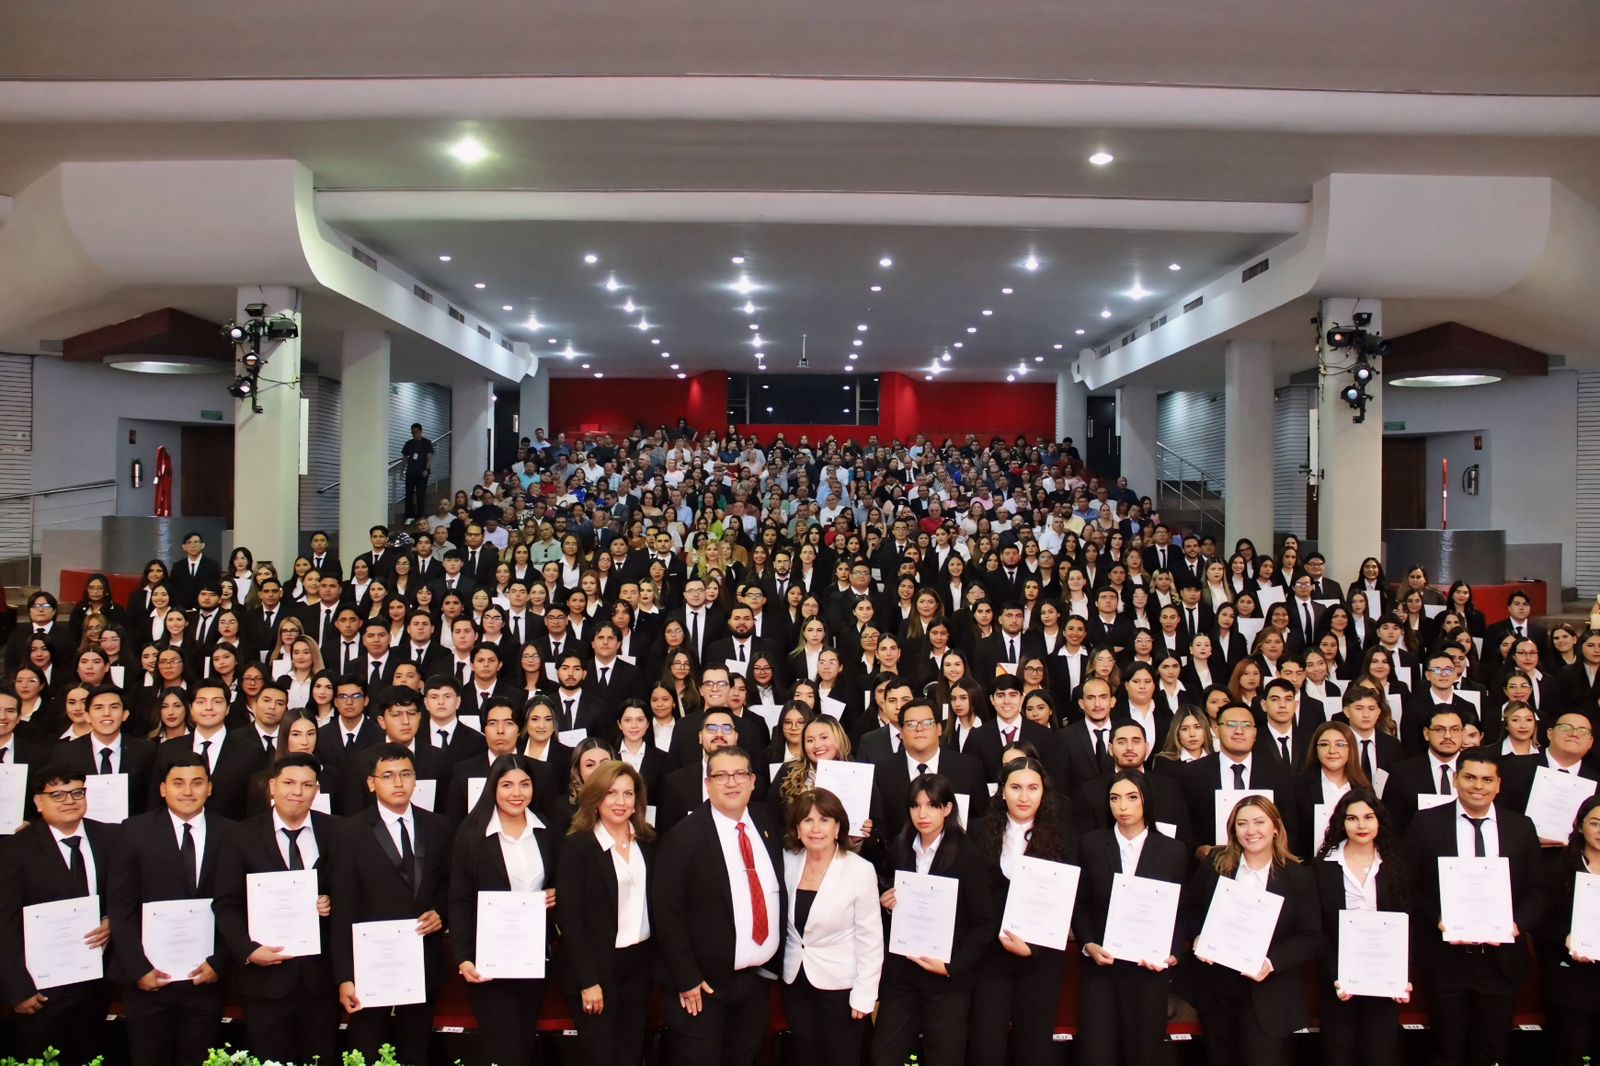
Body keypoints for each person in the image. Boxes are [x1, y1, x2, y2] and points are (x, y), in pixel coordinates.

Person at [1404, 748, 1548, 1066]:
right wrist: (1438, 918)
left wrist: (1515, 925)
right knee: (1446, 1050)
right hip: (1445, 960)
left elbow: (1538, 891)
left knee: (1492, 1051)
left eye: (1487, 779)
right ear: (1455, 780)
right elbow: (1406, 886)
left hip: (1501, 962)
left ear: (1499, 784)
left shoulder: (1521, 827)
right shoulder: (1426, 823)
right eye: (1469, 777)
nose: (1477, 786)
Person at [651, 745, 786, 1066]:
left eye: (740, 774)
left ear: (753, 781)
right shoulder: (683, 837)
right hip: (702, 988)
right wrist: (686, 977)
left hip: (755, 982)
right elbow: (666, 912)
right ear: (707, 783)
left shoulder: (766, 820)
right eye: (721, 775)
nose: (732, 782)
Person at [213, 752, 340, 1065]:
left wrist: (333, 902)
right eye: (288, 783)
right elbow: (226, 903)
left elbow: (352, 893)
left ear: (316, 790)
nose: (297, 791)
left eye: (306, 784)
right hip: (264, 979)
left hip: (321, 977)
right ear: (271, 786)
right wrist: (248, 950)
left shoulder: (339, 832)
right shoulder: (240, 836)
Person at [331, 743, 453, 1065]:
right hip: (370, 967)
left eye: (405, 775)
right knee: (367, 1052)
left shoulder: (438, 826)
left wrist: (442, 913)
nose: (398, 783)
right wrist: (345, 976)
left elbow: (450, 886)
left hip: (422, 962)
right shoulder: (348, 832)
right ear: (371, 783)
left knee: (415, 1052)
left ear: (416, 780)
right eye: (388, 775)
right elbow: (343, 908)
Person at [106, 752, 232, 1065]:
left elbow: (238, 906)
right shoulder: (133, 831)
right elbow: (120, 907)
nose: (188, 791)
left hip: (206, 977)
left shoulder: (231, 833)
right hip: (148, 979)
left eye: (197, 783)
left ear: (210, 788)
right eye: (178, 783)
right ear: (163, 789)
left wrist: (220, 962)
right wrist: (138, 969)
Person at [1182, 794, 1321, 1066]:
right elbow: (1189, 912)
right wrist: (1200, 937)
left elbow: (1311, 937)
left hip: (1269, 996)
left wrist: (1271, 962)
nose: (1251, 830)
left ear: (1276, 828)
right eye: (1242, 823)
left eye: (1259, 822)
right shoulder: (1216, 864)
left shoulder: (1298, 875)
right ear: (1233, 830)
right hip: (1218, 993)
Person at [871, 772, 998, 1066]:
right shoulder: (901, 847)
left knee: (944, 1057)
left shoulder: (968, 854)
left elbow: (984, 924)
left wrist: (951, 966)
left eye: (932, 805)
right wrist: (888, 904)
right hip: (902, 976)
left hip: (946, 982)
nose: (923, 814)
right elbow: (898, 905)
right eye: (915, 806)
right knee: (884, 1055)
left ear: (948, 808)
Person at [0, 762, 117, 1065]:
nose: (69, 800)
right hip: (41, 989)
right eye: (58, 794)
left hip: (97, 983)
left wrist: (112, 920)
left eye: (77, 792)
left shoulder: (111, 838)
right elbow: (5, 922)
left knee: (91, 1056)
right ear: (38, 802)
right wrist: (17, 988)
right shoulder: (15, 850)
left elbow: (125, 895)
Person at [967, 756, 1078, 1066]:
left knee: (1034, 1050)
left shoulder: (1065, 837)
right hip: (990, 958)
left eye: (1033, 788)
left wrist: (1034, 949)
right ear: (1002, 791)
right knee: (986, 1048)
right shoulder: (977, 832)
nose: (1024, 796)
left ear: (1044, 792)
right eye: (1015, 787)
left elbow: (1066, 902)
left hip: (1040, 961)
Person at [1073, 768, 1188, 1066]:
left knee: (1144, 1053)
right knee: (1098, 1052)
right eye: (1114, 798)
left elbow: (1180, 910)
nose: (1122, 806)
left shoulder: (1173, 851)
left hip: (1148, 972)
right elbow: (1080, 904)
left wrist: (1173, 953)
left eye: (1131, 797)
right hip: (1102, 970)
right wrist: (1088, 945)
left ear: (1145, 800)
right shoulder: (1090, 844)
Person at [450, 753, 559, 1066]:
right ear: (492, 789)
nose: (517, 793)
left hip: (533, 960)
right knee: (506, 1051)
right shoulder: (472, 834)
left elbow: (553, 880)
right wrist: (463, 957)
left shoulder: (544, 829)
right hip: (489, 965)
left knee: (524, 1044)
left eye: (524, 784)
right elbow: (459, 900)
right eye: (507, 785)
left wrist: (554, 894)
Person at [557, 760, 657, 1066]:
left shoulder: (649, 841)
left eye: (628, 794)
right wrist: (589, 981)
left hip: (639, 967)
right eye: (611, 793)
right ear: (596, 797)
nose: (620, 802)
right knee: (602, 1056)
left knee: (632, 1053)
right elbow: (570, 919)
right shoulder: (578, 846)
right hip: (597, 969)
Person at [780, 787, 883, 1066]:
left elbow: (870, 940)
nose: (816, 828)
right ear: (797, 829)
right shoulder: (787, 862)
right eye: (808, 820)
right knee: (806, 1056)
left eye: (825, 820)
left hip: (842, 989)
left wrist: (864, 996)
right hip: (795, 981)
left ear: (838, 827)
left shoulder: (860, 869)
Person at [1312, 788, 1411, 1066]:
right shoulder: (1323, 866)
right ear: (1342, 823)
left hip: (1384, 980)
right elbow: (1317, 929)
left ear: (1379, 820)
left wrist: (1401, 975)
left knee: (1380, 1054)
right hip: (1339, 980)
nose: (1361, 825)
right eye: (1352, 818)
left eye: (1368, 817)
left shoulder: (1395, 864)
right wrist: (1337, 974)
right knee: (1338, 1055)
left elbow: (1405, 923)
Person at [1539, 794, 1600, 1065]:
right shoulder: (1558, 868)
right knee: (1572, 1052)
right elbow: (1542, 922)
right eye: (1595, 823)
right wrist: (1566, 938)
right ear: (1579, 825)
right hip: (1571, 978)